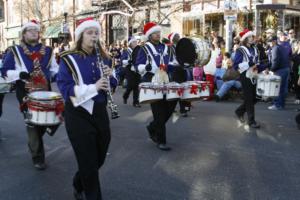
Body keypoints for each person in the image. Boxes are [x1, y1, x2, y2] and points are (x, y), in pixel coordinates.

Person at [56, 17, 118, 200]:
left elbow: (112, 84)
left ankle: (78, 182)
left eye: (96, 33)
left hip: (99, 111)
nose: (94, 36)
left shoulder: (104, 58)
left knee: (99, 156)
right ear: (81, 35)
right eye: (89, 33)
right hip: (77, 114)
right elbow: (66, 89)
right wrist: (94, 87)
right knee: (88, 160)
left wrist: (110, 78)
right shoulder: (68, 59)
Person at [0, 20, 59, 170]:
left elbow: (54, 69)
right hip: (25, 92)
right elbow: (5, 71)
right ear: (24, 34)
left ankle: (34, 142)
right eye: (30, 30)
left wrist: (63, 76)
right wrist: (19, 73)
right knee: (33, 123)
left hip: (45, 91)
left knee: (51, 121)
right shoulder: (14, 50)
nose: (34, 32)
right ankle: (37, 156)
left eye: (36, 30)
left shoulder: (49, 51)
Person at [135, 22, 175, 151]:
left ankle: (152, 127)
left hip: (166, 79)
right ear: (149, 35)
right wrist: (145, 67)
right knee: (158, 112)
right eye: (155, 33)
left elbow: (172, 61)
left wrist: (176, 65)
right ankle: (161, 140)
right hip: (151, 81)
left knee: (169, 108)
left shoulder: (166, 47)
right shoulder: (144, 48)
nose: (158, 34)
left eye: (158, 32)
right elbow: (138, 66)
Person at [233, 29, 266, 128]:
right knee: (249, 98)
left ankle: (239, 111)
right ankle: (251, 121)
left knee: (256, 97)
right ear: (246, 38)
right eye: (251, 36)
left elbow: (257, 64)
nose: (253, 38)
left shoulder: (255, 49)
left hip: (254, 75)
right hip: (245, 76)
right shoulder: (240, 49)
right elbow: (236, 66)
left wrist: (265, 66)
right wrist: (248, 64)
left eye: (253, 36)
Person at [267, 36, 291, 110]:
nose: (269, 43)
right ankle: (281, 104)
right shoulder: (281, 47)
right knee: (282, 88)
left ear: (274, 41)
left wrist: (271, 70)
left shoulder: (275, 48)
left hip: (280, 70)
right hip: (286, 68)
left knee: (277, 88)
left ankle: (277, 105)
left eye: (270, 42)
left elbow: (275, 61)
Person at [121, 36, 141, 107]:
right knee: (131, 85)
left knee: (136, 85)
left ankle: (136, 102)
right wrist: (129, 61)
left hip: (136, 69)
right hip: (129, 69)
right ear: (130, 43)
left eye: (136, 42)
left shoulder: (138, 50)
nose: (135, 43)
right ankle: (125, 96)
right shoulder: (126, 51)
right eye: (134, 42)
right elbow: (122, 61)